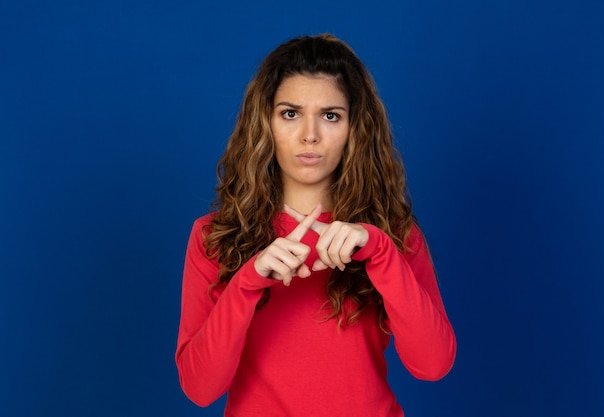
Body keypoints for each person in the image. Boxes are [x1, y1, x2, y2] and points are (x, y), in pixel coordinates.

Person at [175, 33, 456, 416]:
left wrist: (381, 252)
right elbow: (200, 388)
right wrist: (248, 281)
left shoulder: (393, 236)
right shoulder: (214, 237)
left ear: (354, 127)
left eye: (330, 115)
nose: (310, 135)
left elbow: (433, 365)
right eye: (290, 113)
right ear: (265, 123)